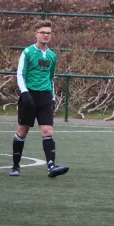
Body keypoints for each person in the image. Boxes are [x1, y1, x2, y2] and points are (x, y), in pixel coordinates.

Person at [10, 20, 69, 178]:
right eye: (43, 32)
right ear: (36, 34)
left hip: (45, 97)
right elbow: (20, 74)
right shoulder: (28, 52)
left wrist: (53, 96)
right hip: (29, 95)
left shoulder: (52, 55)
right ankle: (15, 166)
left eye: (48, 33)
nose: (46, 35)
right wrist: (25, 93)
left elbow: (51, 78)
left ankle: (51, 167)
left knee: (47, 130)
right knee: (22, 131)